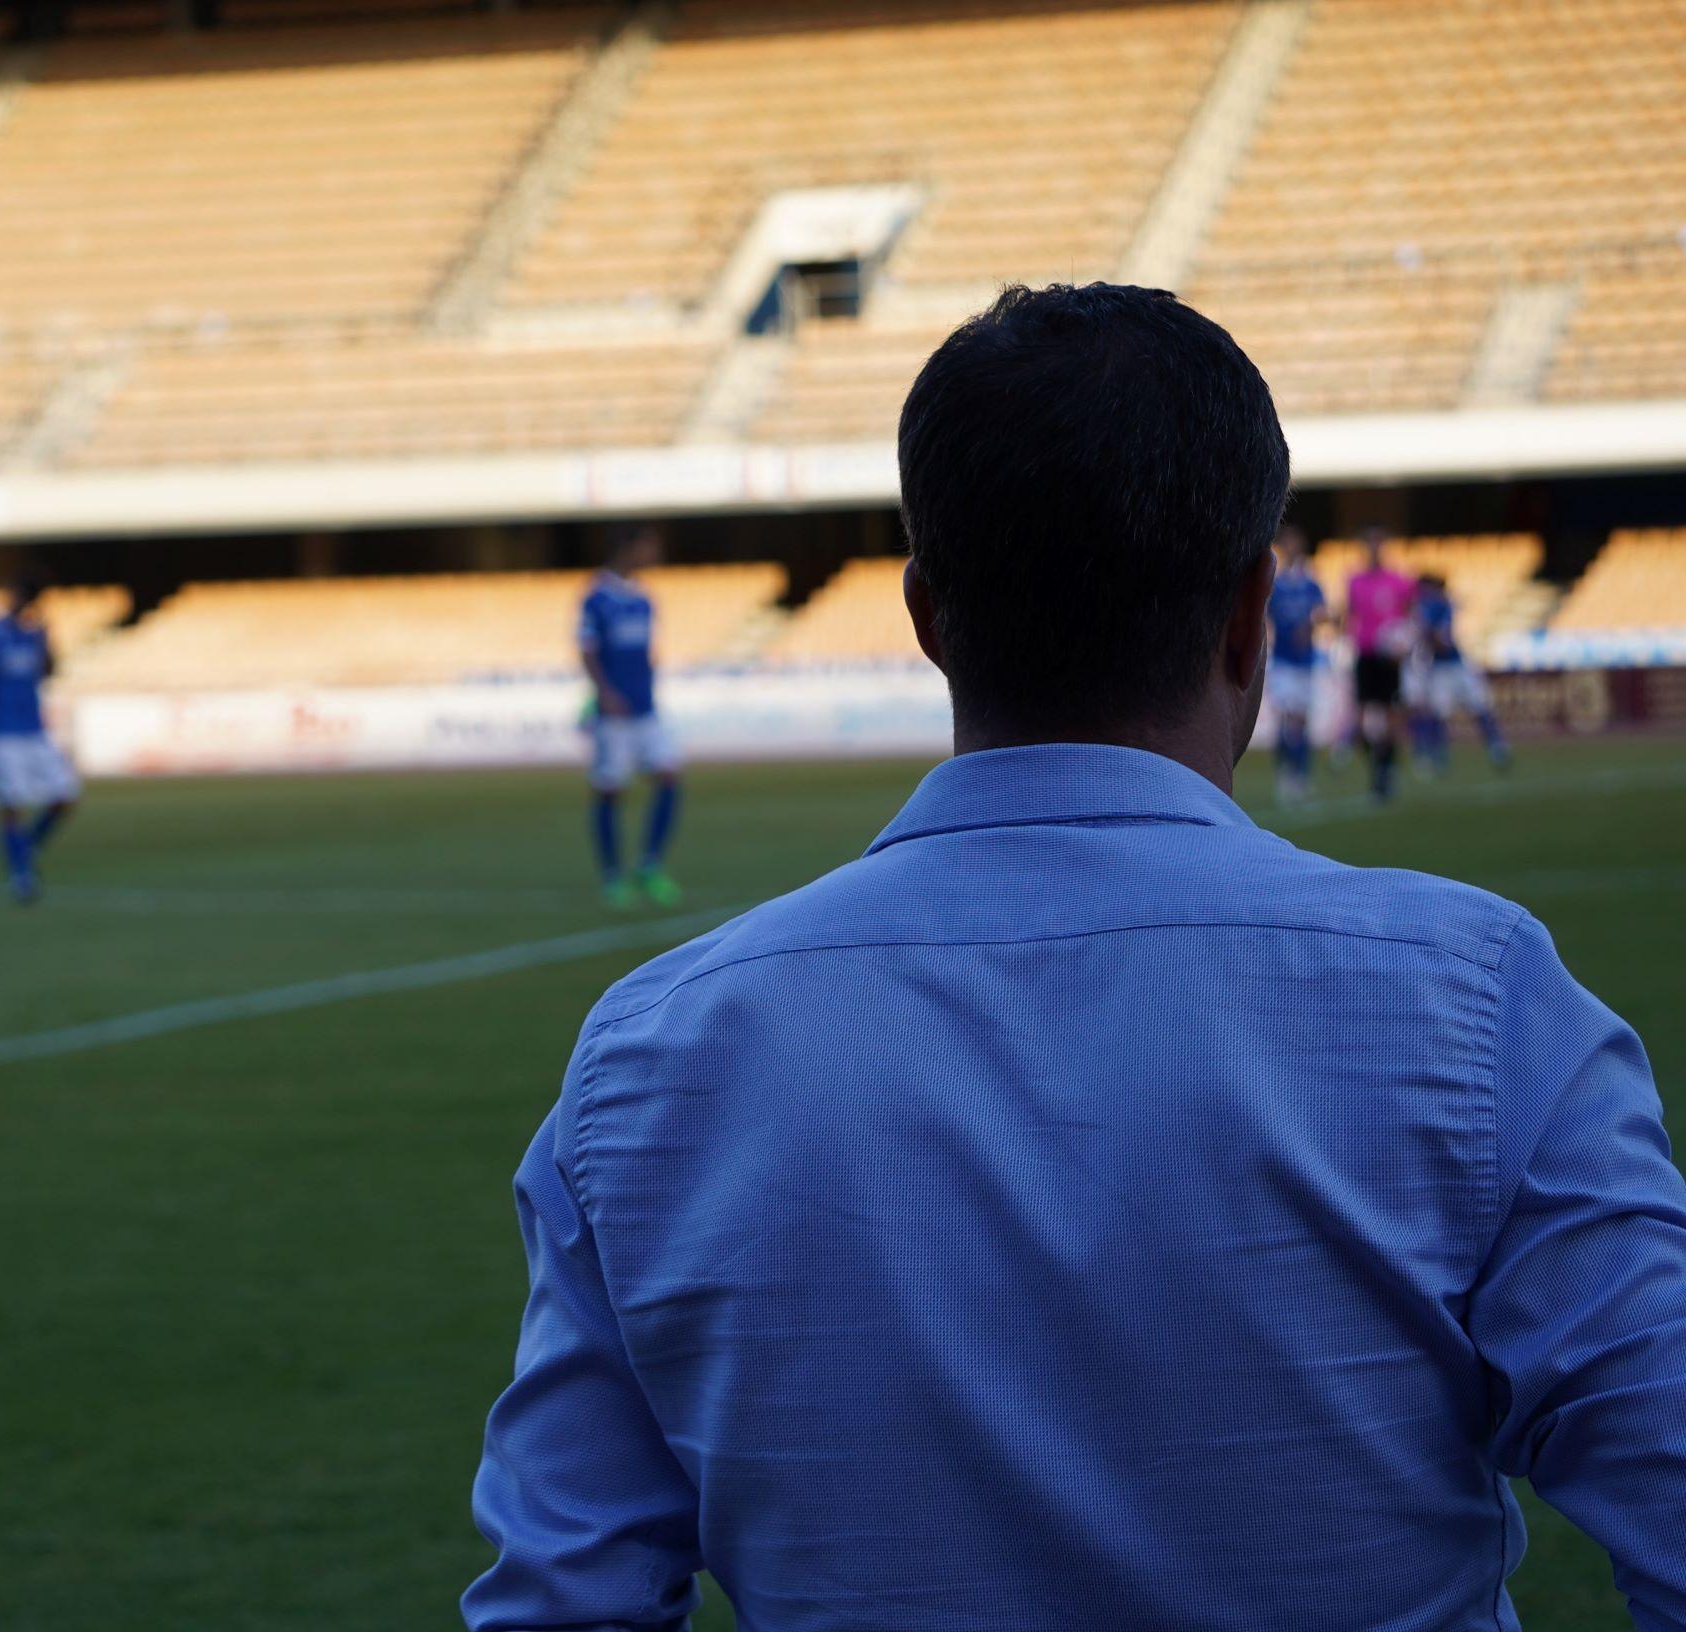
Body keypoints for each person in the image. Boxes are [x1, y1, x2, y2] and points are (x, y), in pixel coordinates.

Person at [466, 284, 1686, 1630]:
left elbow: (560, 1600)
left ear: (927, 617)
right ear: (1247, 621)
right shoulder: (1478, 999)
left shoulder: (648, 1059)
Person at [579, 524, 681, 907]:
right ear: (629, 548)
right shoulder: (596, 597)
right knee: (610, 790)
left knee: (669, 776)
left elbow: (646, 651)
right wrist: (603, 693)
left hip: (646, 708)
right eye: (649, 547)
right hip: (614, 714)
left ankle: (650, 865)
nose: (653, 556)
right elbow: (587, 650)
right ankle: (612, 877)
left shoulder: (645, 598)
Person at [0, 567, 80, 905]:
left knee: (65, 796)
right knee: (10, 805)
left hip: (35, 730)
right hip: (4, 733)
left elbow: (49, 672)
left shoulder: (34, 635)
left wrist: (47, 638)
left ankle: (25, 848)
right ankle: (21, 875)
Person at [1344, 524, 1418, 801]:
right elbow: (1350, 615)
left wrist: (1404, 641)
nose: (1374, 549)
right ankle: (1376, 768)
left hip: (1389, 657)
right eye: (1369, 544)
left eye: (1378, 543)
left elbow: (1409, 614)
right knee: (1362, 718)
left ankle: (1386, 771)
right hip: (1365, 653)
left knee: (1390, 716)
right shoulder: (1355, 581)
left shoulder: (1399, 581)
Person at [1413, 570, 1512, 773]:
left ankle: (1496, 746)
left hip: (1455, 664)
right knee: (1439, 712)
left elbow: (1441, 640)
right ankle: (1441, 755)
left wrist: (1427, 635)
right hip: (1439, 667)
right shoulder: (1426, 605)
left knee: (1478, 706)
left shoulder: (1438, 605)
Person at [1263, 525, 1325, 802]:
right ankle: (1285, 775)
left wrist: (1310, 626)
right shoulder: (1275, 584)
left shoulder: (1311, 583)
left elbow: (1322, 614)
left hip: (1305, 661)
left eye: (1295, 544)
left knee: (1301, 720)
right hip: (1284, 661)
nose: (1291, 549)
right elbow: (1264, 617)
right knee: (1287, 719)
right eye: (1286, 544)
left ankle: (1300, 774)